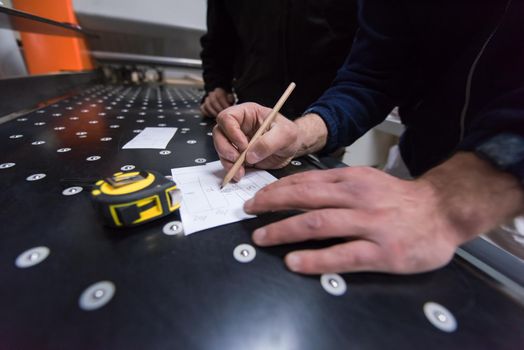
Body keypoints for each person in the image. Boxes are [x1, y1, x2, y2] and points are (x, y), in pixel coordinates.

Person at [213, 0, 524, 275]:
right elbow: (372, 77)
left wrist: (444, 200)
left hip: (509, 192)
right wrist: (300, 134)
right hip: (414, 163)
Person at [200, 0, 358, 118]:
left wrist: (323, 122)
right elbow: (218, 41)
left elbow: (363, 56)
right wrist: (217, 85)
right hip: (249, 112)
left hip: (324, 116)